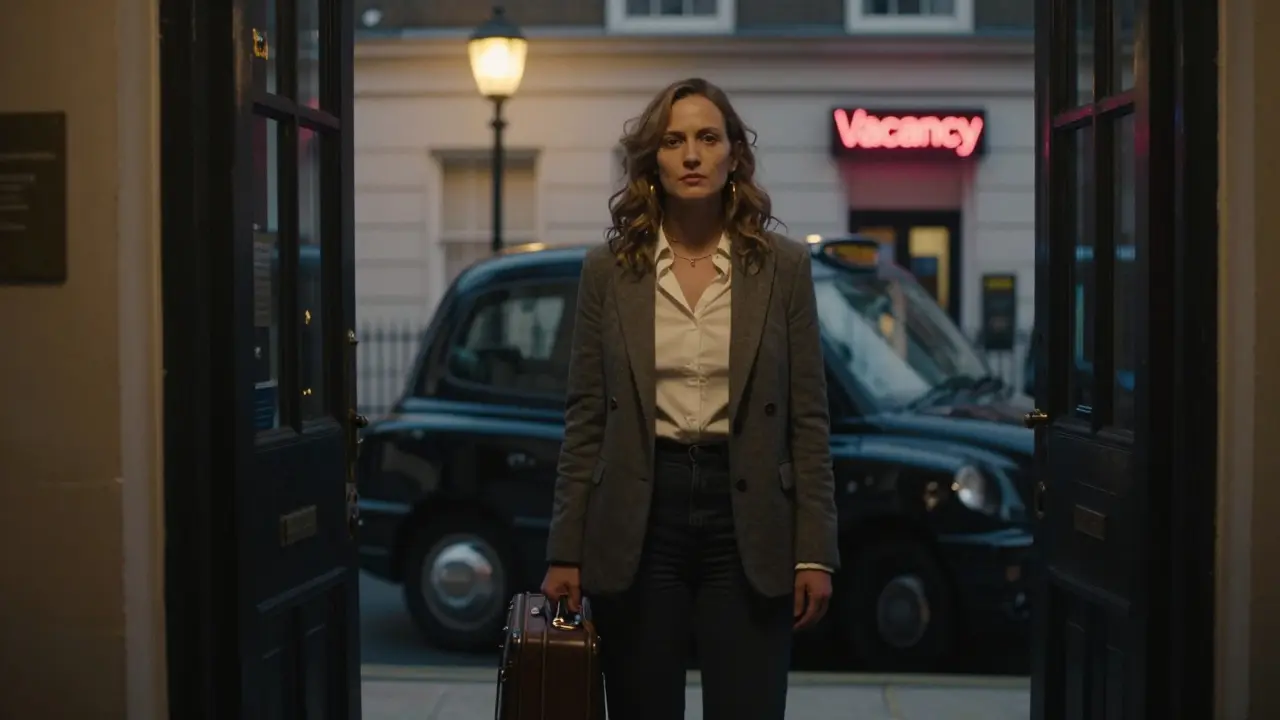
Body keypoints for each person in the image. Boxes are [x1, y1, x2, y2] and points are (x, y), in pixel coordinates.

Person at [541, 77, 839, 720]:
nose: (693, 154)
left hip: (750, 514)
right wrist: (565, 549)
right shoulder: (610, 269)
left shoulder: (783, 268)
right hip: (643, 513)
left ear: (735, 153)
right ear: (654, 160)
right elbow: (585, 416)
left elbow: (808, 419)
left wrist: (815, 550)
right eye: (674, 141)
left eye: (708, 137)